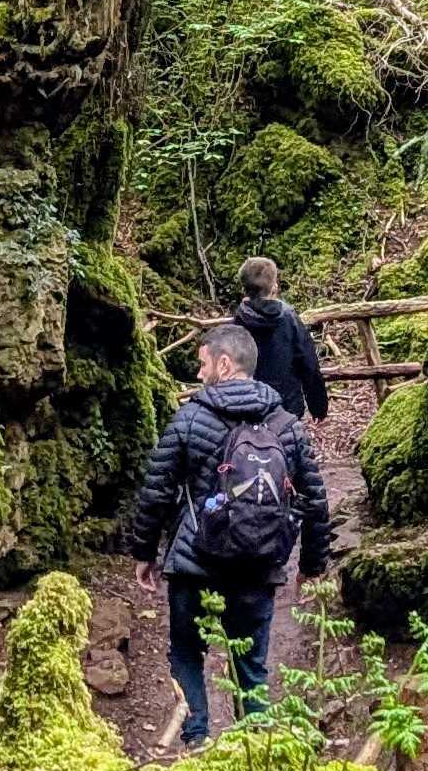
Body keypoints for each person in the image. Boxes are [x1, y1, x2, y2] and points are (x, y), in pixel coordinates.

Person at [125, 316, 332, 745]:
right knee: (252, 666)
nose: (198, 374)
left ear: (223, 365)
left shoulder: (190, 419)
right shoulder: (287, 426)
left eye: (202, 364)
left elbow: (157, 490)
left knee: (186, 653)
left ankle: (195, 742)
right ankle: (251, 751)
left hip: (194, 565)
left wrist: (144, 552)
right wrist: (312, 566)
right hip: (259, 565)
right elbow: (314, 499)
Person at [232, 253, 328, 422]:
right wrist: (318, 406)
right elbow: (308, 362)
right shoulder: (288, 317)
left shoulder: (238, 322)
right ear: (274, 287)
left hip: (249, 407)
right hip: (287, 407)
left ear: (243, 289)